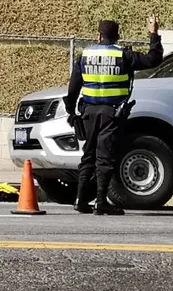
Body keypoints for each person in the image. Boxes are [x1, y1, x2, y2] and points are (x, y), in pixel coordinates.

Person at [64, 15, 163, 216]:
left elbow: (73, 87)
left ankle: (80, 199)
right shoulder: (123, 55)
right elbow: (153, 59)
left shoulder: (85, 55)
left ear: (99, 36)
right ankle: (101, 202)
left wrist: (71, 110)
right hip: (111, 113)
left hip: (89, 112)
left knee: (89, 154)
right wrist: (153, 33)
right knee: (105, 156)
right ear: (117, 36)